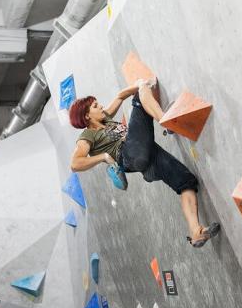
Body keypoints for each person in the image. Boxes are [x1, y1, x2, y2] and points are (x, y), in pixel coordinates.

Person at [69, 78, 220, 248]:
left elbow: (120, 95)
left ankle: (196, 231)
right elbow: (75, 163)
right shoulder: (87, 135)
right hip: (129, 154)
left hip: (146, 160)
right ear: (87, 116)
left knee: (186, 182)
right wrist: (103, 156)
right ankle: (166, 120)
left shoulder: (105, 118)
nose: (102, 107)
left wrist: (143, 83)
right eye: (96, 106)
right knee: (140, 97)